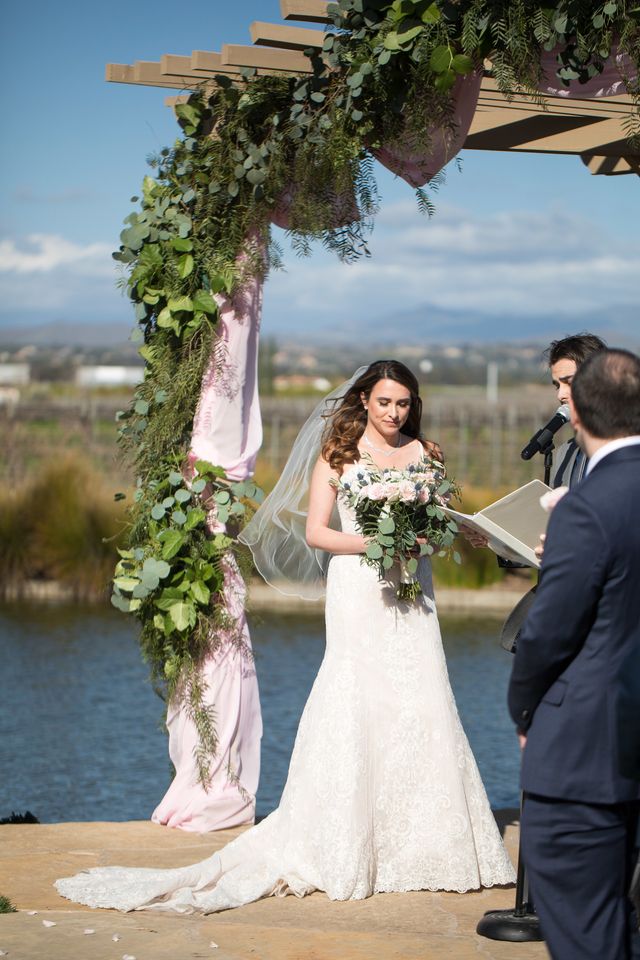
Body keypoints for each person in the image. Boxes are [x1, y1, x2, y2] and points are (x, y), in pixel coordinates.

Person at [55, 360, 515, 913]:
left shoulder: (427, 455)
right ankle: (346, 841)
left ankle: (424, 844)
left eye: (404, 404)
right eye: (386, 402)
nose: (395, 413)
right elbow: (318, 532)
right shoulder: (339, 456)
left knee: (422, 700)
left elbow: (436, 517)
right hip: (360, 590)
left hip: (414, 590)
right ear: (365, 399)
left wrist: (459, 531)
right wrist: (376, 547)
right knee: (358, 697)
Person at [508, 348, 640, 960]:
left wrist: (525, 710)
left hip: (589, 745)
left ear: (580, 412)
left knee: (586, 930)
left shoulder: (586, 507)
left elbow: (549, 634)